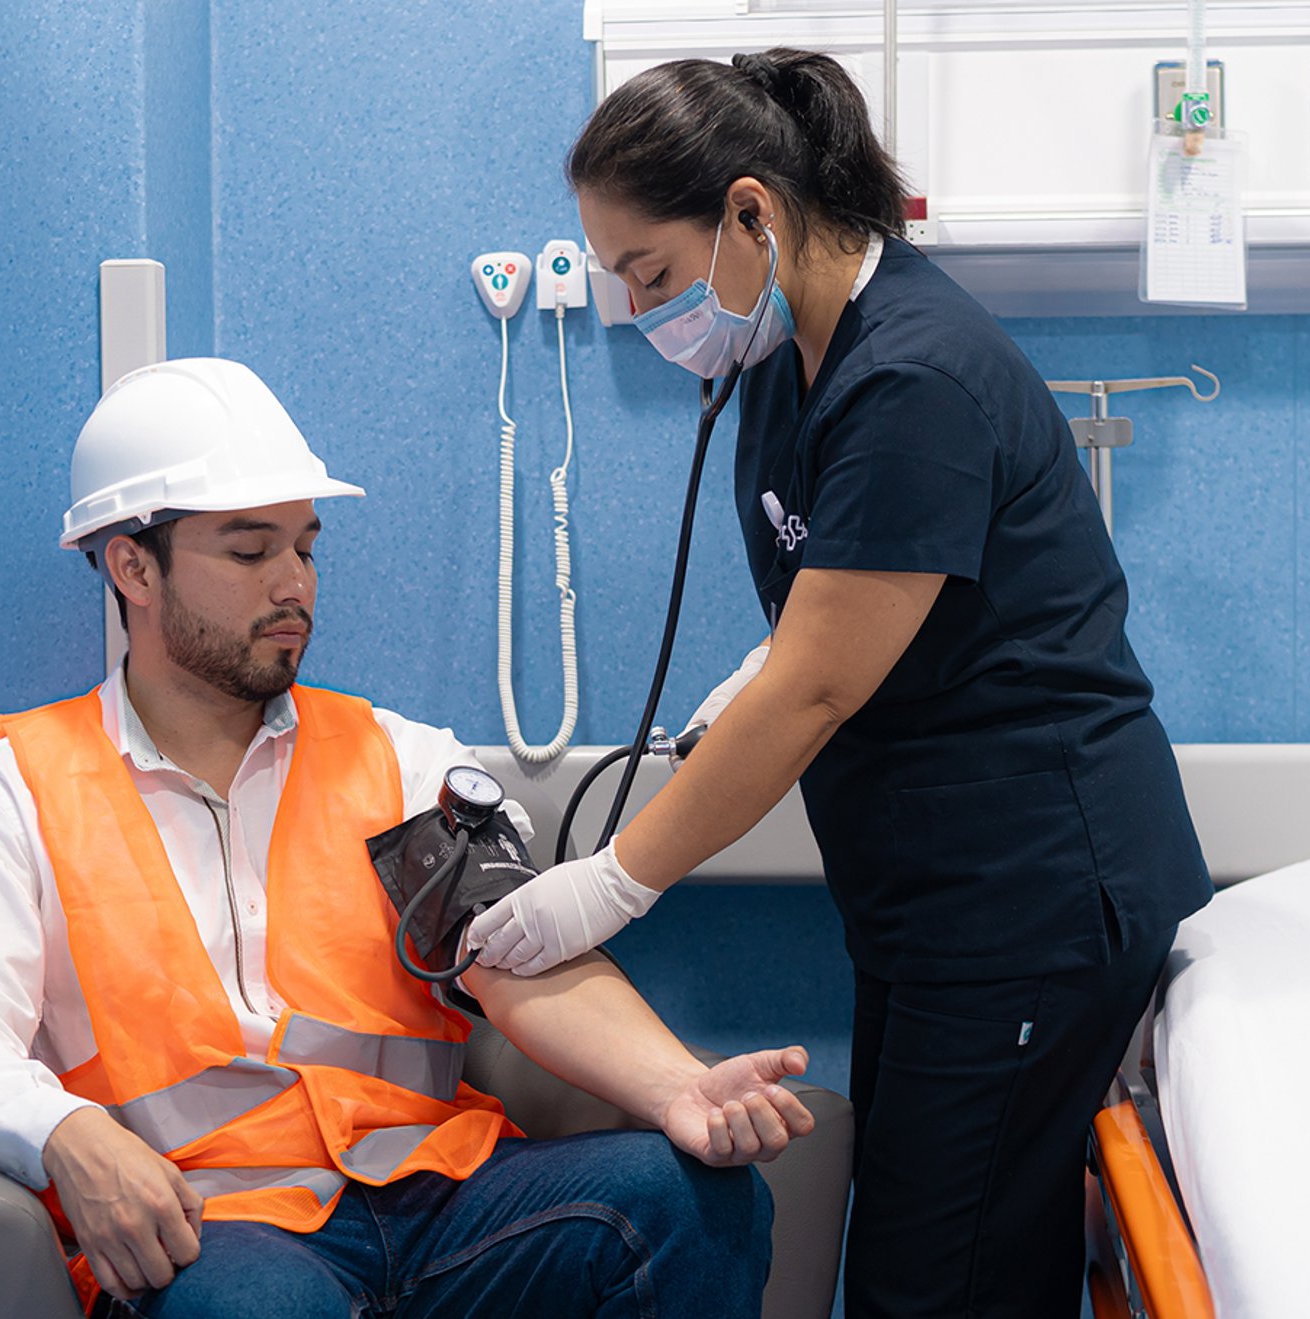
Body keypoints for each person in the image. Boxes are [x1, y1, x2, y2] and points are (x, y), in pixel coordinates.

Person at [466, 49, 1215, 1318]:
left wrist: (610, 884)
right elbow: (834, 610)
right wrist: (756, 672)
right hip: (940, 897)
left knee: (937, 1278)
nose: (644, 310)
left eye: (650, 271)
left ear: (751, 212)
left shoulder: (914, 374)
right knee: (956, 1253)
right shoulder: (785, 362)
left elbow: (815, 689)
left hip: (1030, 893)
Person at [0, 358, 813, 1319]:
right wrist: (65, 1133)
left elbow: (515, 957)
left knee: (685, 1200)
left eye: (306, 548)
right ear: (132, 566)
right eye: (249, 553)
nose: (294, 585)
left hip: (438, 1195)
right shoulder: (8, 795)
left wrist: (680, 1088)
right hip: (214, 1224)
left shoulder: (400, 761)